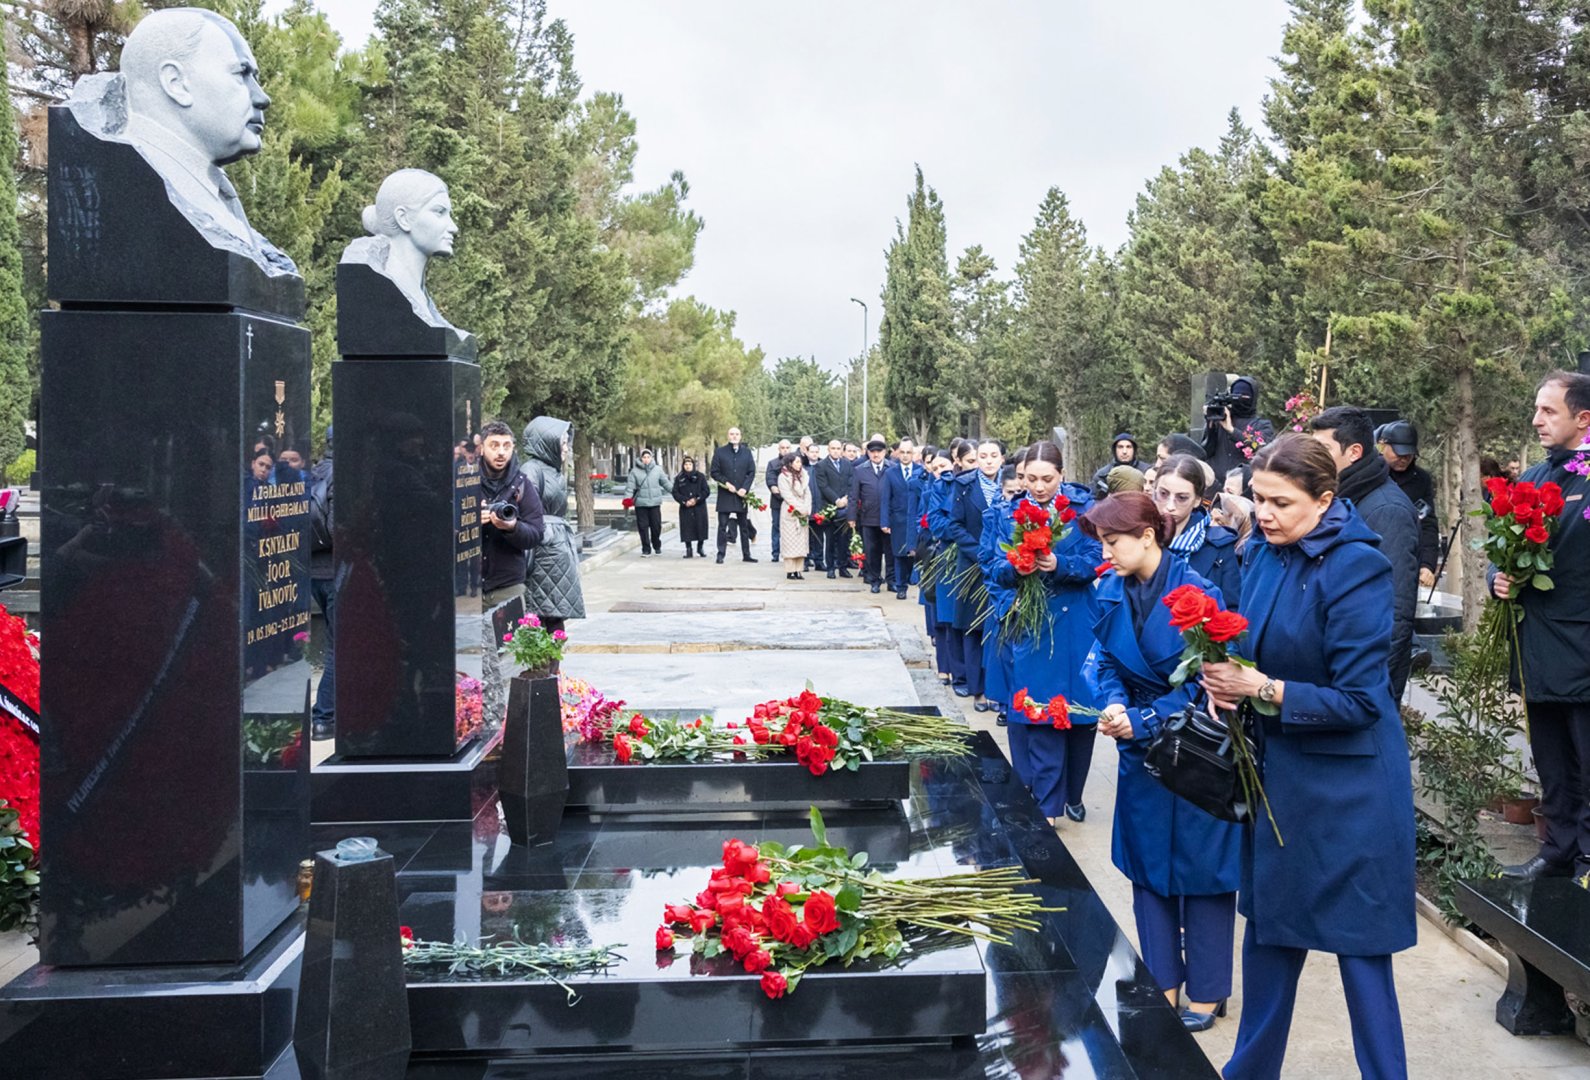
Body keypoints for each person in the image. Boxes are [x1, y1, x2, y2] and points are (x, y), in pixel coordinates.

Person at [1200, 435, 1414, 1080]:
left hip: (1352, 792)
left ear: (1326, 500)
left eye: (1281, 503)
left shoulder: (1359, 567)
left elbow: (1360, 700)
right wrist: (1223, 684)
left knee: (1362, 953)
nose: (1263, 514)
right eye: (1258, 498)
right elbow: (1248, 641)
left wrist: (1262, 689)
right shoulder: (1263, 550)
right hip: (1281, 780)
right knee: (1270, 934)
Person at [1082, 492, 1241, 1033]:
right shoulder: (1107, 588)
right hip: (1139, 751)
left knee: (1205, 870)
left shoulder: (1199, 591)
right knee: (1148, 867)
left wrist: (1146, 718)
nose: (1107, 552)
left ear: (1147, 535)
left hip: (1194, 744)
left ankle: (1211, 987)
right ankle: (1161, 978)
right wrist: (1112, 702)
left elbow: (1212, 682)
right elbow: (1103, 659)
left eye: (1113, 541)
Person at [1494, 371, 1590, 883]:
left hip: (1582, 647)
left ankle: (1588, 860)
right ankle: (1558, 849)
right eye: (1536, 409)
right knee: (1551, 762)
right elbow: (1499, 548)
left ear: (1584, 418)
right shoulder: (1533, 478)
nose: (1536, 420)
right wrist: (1497, 577)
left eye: (1548, 411)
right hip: (1537, 649)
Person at [980, 441, 1100, 822]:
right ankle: (1043, 802)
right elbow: (989, 564)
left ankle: (1071, 793)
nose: (1038, 487)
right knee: (1036, 710)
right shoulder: (1004, 513)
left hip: (1076, 620)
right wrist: (1016, 568)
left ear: (1062, 475)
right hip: (1028, 622)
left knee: (1080, 712)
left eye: (1047, 479)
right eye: (1029, 478)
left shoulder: (1084, 512)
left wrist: (1058, 563)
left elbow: (1097, 561)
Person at [1310, 406, 1421, 700]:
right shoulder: (1340, 498)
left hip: (1361, 687)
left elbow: (1396, 611)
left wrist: (1362, 686)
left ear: (1354, 452)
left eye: (1323, 449)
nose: (1313, 459)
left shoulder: (1387, 511)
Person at [947, 440, 1003, 702]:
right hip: (972, 563)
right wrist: (980, 551)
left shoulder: (1011, 485)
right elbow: (955, 525)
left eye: (994, 456)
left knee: (998, 628)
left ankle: (996, 690)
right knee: (973, 626)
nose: (989, 460)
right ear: (976, 459)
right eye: (984, 456)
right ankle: (976, 689)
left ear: (1002, 459)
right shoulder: (964, 485)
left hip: (1004, 564)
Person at [1151, 454, 1244, 610]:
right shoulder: (1140, 537)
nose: (1169, 506)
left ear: (1197, 500)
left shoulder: (1219, 546)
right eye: (1163, 494)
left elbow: (1231, 609)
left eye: (1181, 498)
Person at [521, 415, 585, 634]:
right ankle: (543, 666)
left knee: (555, 611)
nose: (566, 449)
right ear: (547, 441)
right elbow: (527, 508)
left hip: (556, 548)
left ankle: (553, 667)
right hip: (543, 548)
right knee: (543, 611)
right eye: (562, 443)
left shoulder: (554, 472)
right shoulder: (532, 469)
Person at [479, 420, 546, 607]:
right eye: (494, 445)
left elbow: (536, 534)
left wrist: (512, 527)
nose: (501, 452)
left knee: (510, 637)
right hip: (466, 588)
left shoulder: (522, 484)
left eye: (506, 446)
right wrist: (469, 520)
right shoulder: (464, 483)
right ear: (481, 448)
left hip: (508, 586)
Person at [929, 440, 973, 690]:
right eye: (971, 461)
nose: (979, 465)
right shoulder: (944, 485)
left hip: (978, 556)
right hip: (951, 556)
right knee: (951, 619)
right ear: (958, 461)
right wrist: (961, 531)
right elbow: (935, 522)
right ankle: (958, 673)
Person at [1375, 420, 1440, 588]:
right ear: (1383, 447)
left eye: (1408, 455)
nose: (1404, 459)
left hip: (1408, 560)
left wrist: (1427, 564)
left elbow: (1428, 523)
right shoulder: (1371, 476)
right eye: (1398, 453)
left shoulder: (1421, 480)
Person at [308, 430, 336, 740]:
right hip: (335, 572)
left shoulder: (316, 470)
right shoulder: (343, 475)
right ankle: (324, 718)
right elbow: (338, 529)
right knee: (339, 648)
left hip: (314, 571)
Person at [1203, 376, 1275, 482]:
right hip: (1215, 485)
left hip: (1244, 487)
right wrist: (1211, 423)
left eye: (1244, 396)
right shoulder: (1222, 418)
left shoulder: (1262, 425)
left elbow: (1260, 448)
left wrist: (1231, 430)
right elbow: (1206, 451)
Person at [850, 438, 893, 593]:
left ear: (884, 452)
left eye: (879, 451)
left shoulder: (892, 468)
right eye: (872, 451)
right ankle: (874, 580)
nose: (876, 454)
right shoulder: (860, 470)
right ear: (868, 453)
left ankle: (891, 580)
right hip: (868, 517)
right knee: (871, 551)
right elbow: (854, 495)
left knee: (890, 551)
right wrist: (851, 517)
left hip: (888, 518)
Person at [710, 426, 758, 564]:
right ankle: (720, 554)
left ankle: (746, 554)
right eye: (732, 434)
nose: (734, 436)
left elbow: (751, 472)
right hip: (726, 494)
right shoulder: (720, 452)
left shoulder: (747, 453)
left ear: (740, 436)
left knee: (743, 526)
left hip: (741, 495)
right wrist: (726, 483)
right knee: (722, 526)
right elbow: (714, 472)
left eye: (737, 434)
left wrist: (745, 488)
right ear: (728, 436)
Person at [882, 436, 920, 599]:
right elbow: (885, 498)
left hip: (915, 521)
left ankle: (911, 579)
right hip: (897, 520)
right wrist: (885, 521)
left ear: (913, 454)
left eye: (908, 452)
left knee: (912, 554)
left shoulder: (920, 471)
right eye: (902, 452)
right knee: (898, 554)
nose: (905, 455)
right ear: (897, 453)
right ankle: (901, 587)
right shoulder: (890, 473)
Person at [621, 448, 672, 557]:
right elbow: (630, 488)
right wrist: (627, 500)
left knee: (656, 526)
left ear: (652, 458)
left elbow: (666, 483)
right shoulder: (634, 472)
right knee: (643, 527)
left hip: (654, 503)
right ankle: (646, 548)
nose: (646, 459)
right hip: (641, 504)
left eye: (648, 457)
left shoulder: (658, 470)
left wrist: (677, 492)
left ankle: (657, 545)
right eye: (644, 457)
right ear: (641, 458)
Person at [816, 439, 853, 578]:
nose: (836, 451)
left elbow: (851, 482)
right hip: (829, 507)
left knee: (844, 540)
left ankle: (842, 567)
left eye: (838, 448)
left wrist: (846, 498)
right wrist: (836, 500)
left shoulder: (847, 464)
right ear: (828, 449)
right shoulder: (821, 465)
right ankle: (831, 567)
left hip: (845, 507)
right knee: (830, 539)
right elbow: (823, 486)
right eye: (833, 448)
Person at [777, 451, 811, 580]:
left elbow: (808, 493)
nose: (799, 464)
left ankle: (799, 570)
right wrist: (799, 507)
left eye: (800, 462)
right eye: (797, 462)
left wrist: (806, 507)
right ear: (790, 463)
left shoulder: (803, 476)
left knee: (801, 542)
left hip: (802, 512)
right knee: (790, 541)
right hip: (790, 511)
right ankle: (790, 570)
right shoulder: (783, 476)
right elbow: (787, 496)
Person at [672, 455, 710, 558]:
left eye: (690, 464)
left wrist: (696, 499)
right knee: (686, 528)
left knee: (701, 527)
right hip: (686, 507)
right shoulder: (679, 478)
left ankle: (700, 547)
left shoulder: (700, 476)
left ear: (693, 465)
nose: (688, 466)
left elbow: (706, 491)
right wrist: (684, 501)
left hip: (699, 506)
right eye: (686, 464)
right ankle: (688, 549)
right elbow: (675, 492)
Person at [1091, 433, 1149, 498]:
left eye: (1128, 447)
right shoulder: (1102, 475)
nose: (1124, 451)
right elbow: (1093, 501)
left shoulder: (1146, 471)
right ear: (1114, 450)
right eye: (1120, 447)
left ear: (1134, 450)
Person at [765, 439, 792, 560]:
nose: (785, 450)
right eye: (783, 448)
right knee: (776, 526)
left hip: (792, 502)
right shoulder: (773, 463)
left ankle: (790, 552)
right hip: (777, 501)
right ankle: (775, 553)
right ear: (779, 449)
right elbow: (770, 478)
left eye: (787, 448)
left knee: (791, 527)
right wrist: (774, 488)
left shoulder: (796, 463)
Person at [803, 440, 827, 571]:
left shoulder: (822, 466)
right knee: (805, 536)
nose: (814, 454)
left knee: (818, 536)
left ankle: (819, 561)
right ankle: (805, 560)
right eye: (812, 452)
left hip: (820, 507)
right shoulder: (802, 467)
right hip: (806, 507)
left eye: (817, 452)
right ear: (806, 452)